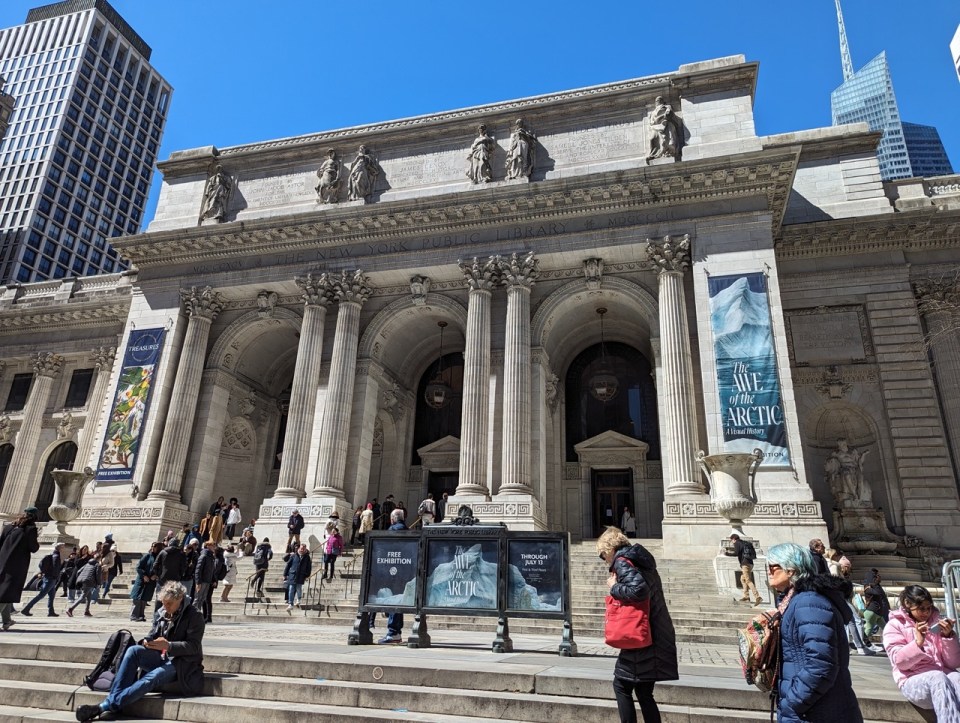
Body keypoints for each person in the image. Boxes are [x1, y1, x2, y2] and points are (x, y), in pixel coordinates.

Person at [74, 581, 205, 722]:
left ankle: (104, 706)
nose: (165, 607)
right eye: (163, 603)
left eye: (169, 604)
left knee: (155, 675)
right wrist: (147, 641)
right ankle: (115, 700)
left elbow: (194, 646)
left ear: (180, 599)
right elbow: (153, 634)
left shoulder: (194, 615)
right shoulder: (162, 612)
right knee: (133, 650)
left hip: (182, 663)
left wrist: (169, 646)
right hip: (161, 656)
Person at [766, 542, 863, 723]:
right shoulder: (793, 602)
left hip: (817, 711)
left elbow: (821, 663)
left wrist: (792, 703)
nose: (769, 572)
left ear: (791, 570)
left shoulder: (808, 602)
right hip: (813, 709)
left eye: (773, 567)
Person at [597, 527, 677, 723]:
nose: (604, 559)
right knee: (643, 691)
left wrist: (614, 587)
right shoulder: (641, 561)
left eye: (602, 554)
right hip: (656, 631)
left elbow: (639, 590)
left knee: (621, 685)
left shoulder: (622, 561)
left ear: (609, 548)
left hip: (640, 633)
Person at [883, 584, 960, 720]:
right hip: (912, 681)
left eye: (929, 608)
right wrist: (917, 643)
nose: (926, 612)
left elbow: (953, 663)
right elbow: (900, 663)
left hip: (941, 675)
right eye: (921, 608)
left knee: (956, 677)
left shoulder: (935, 622)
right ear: (907, 605)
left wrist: (947, 637)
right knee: (937, 678)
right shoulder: (894, 625)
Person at [0, 507, 40, 629]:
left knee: (6, 592)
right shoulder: (30, 529)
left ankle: (7, 620)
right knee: (5, 593)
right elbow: (34, 548)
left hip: (2, 563)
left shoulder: (9, 527)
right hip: (15, 566)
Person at [379, 508, 408, 644]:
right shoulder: (408, 531)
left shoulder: (393, 530)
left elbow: (384, 549)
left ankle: (393, 632)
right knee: (398, 601)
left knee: (392, 601)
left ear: (392, 519)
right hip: (404, 572)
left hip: (392, 571)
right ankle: (396, 632)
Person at [20, 543, 63, 617]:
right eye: (63, 547)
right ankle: (26, 609)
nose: (63, 548)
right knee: (41, 595)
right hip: (51, 578)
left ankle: (51, 611)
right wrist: (55, 576)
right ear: (60, 548)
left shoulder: (54, 554)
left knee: (52, 595)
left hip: (50, 578)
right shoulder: (56, 556)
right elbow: (55, 567)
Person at [824, 438, 872, 505]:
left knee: (860, 479)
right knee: (847, 475)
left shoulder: (853, 451)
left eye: (842, 443)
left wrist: (864, 454)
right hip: (844, 468)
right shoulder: (836, 453)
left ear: (845, 443)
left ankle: (860, 498)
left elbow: (859, 461)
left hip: (854, 468)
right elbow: (829, 464)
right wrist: (827, 475)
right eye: (840, 444)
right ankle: (854, 494)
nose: (841, 445)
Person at [725, 533, 762, 606]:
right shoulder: (745, 543)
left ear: (733, 539)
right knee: (743, 578)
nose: (732, 542)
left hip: (745, 564)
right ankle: (746, 596)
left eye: (731, 540)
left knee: (748, 580)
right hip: (750, 563)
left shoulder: (737, 543)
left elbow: (736, 553)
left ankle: (757, 596)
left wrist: (727, 554)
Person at [130, 542, 162, 622]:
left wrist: (156, 575)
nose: (153, 548)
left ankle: (141, 615)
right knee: (137, 598)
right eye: (152, 546)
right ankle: (134, 615)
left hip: (151, 581)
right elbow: (139, 567)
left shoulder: (159, 557)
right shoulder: (147, 556)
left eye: (154, 546)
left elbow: (160, 569)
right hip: (142, 580)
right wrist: (144, 575)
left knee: (144, 599)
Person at [645, 97, 681, 162]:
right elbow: (651, 122)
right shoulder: (653, 112)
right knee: (652, 138)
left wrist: (663, 116)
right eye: (656, 101)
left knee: (666, 136)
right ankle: (654, 153)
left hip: (665, 124)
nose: (657, 101)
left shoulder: (667, 106)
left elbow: (669, 114)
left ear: (662, 101)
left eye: (659, 100)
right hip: (655, 127)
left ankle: (667, 152)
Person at [66, 553, 101, 618]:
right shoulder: (97, 565)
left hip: (82, 580)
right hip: (89, 581)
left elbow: (79, 571)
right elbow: (98, 575)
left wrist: (79, 578)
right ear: (99, 559)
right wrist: (99, 583)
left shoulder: (87, 564)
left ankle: (87, 611)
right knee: (83, 596)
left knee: (89, 596)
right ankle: (70, 609)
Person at [863, 568, 891, 639]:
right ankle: (863, 643)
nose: (878, 577)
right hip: (872, 612)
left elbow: (882, 596)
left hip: (878, 613)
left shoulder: (876, 586)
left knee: (885, 628)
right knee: (869, 629)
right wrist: (875, 583)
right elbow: (877, 593)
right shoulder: (869, 588)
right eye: (876, 576)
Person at [283, 543, 311, 611]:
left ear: (305, 550)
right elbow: (288, 565)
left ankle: (298, 599)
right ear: (299, 548)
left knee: (299, 588)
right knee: (291, 589)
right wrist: (285, 574)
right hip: (293, 574)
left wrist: (307, 575)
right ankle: (290, 604)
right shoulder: (294, 556)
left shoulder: (307, 557)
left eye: (303, 549)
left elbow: (309, 567)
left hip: (301, 575)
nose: (302, 550)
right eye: (301, 548)